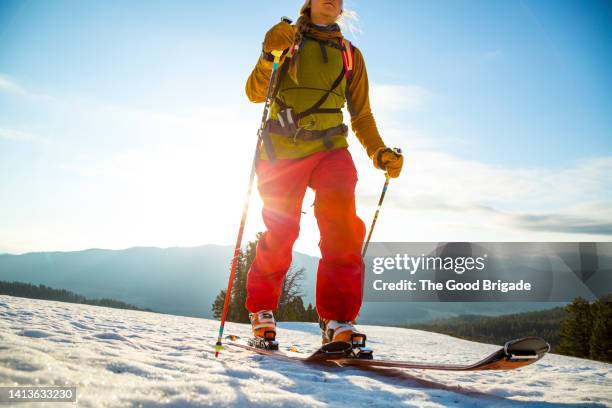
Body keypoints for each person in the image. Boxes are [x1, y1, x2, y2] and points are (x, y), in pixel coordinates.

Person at [244, 0, 403, 346]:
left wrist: (379, 151)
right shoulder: (286, 39)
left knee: (342, 227)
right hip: (282, 151)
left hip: (331, 150)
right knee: (282, 231)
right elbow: (255, 93)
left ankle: (338, 319)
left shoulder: (350, 55)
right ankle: (261, 310)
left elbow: (361, 116)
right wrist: (268, 53)